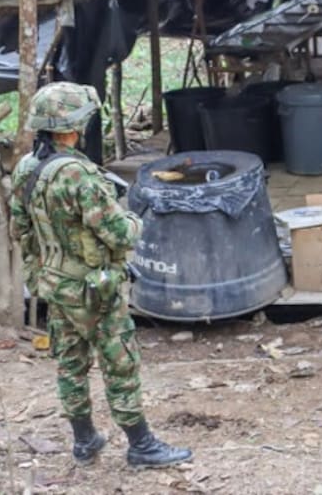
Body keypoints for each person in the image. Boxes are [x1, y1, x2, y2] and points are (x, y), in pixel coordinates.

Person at [10, 82, 191, 468]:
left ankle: (84, 439)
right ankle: (141, 445)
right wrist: (131, 216)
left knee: (70, 361)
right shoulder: (78, 175)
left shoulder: (26, 168)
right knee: (119, 360)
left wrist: (41, 271)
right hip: (95, 287)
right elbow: (119, 232)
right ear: (71, 128)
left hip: (55, 283)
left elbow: (21, 229)